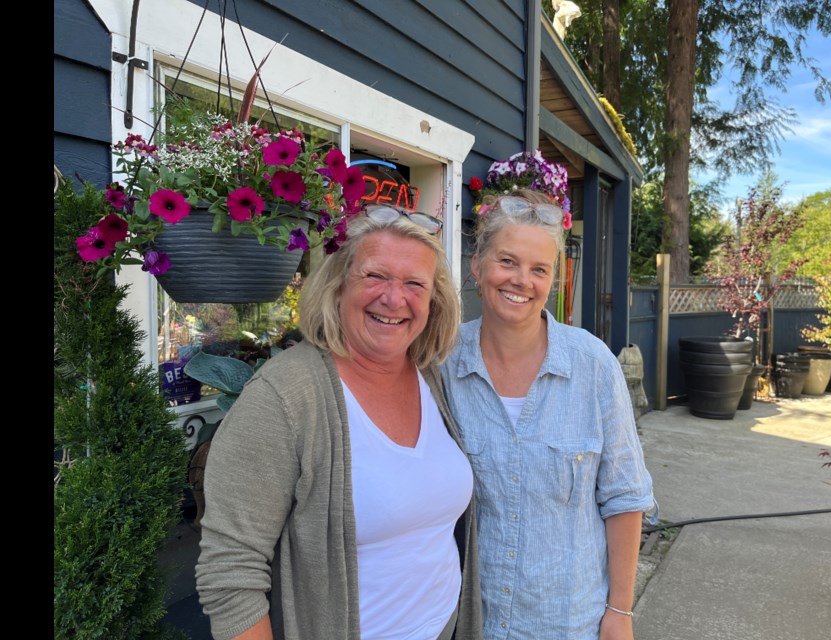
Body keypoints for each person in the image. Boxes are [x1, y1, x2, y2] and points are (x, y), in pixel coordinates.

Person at [196, 204, 482, 640]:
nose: (394, 297)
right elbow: (231, 573)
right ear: (336, 286)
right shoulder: (284, 396)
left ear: (432, 301)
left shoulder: (429, 375)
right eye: (375, 276)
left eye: (414, 284)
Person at [441, 189, 658, 640]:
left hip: (568, 622)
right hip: (470, 622)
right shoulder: (442, 363)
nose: (522, 280)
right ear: (477, 267)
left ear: (553, 281)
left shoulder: (593, 365)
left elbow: (625, 497)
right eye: (507, 262)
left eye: (539, 269)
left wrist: (620, 611)